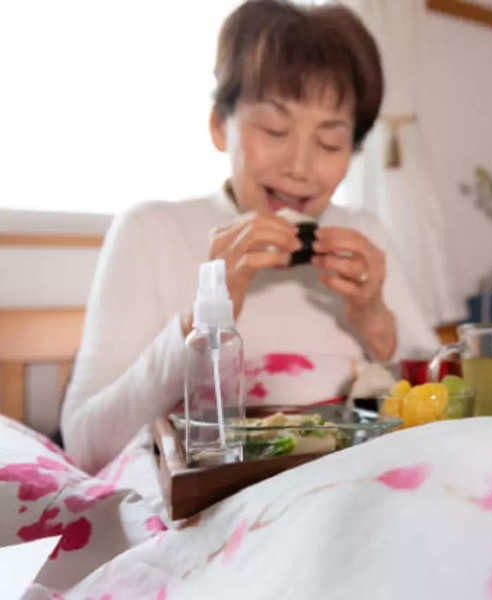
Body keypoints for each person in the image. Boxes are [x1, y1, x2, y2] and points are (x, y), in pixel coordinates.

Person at [61, 0, 438, 474]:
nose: (300, 167)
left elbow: (445, 396)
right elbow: (85, 444)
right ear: (221, 126)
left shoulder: (363, 231)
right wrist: (199, 323)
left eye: (329, 142)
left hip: (370, 477)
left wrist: (376, 322)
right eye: (275, 128)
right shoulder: (150, 230)